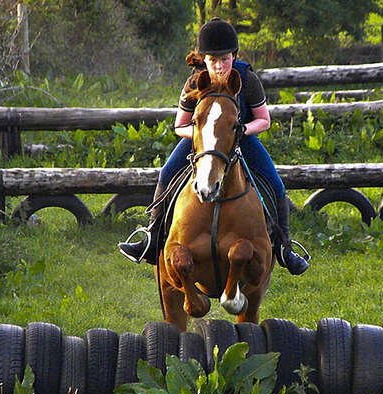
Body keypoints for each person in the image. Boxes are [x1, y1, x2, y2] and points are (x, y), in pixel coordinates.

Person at [119, 18, 309, 275]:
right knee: (166, 173)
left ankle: (285, 247)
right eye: (213, 60)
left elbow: (264, 120)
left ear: (234, 56)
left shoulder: (247, 78)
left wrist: (242, 130)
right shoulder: (194, 82)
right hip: (201, 142)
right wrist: (202, 136)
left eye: (225, 59)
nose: (219, 66)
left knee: (276, 184)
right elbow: (179, 126)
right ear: (203, 59)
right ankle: (151, 240)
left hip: (240, 138)